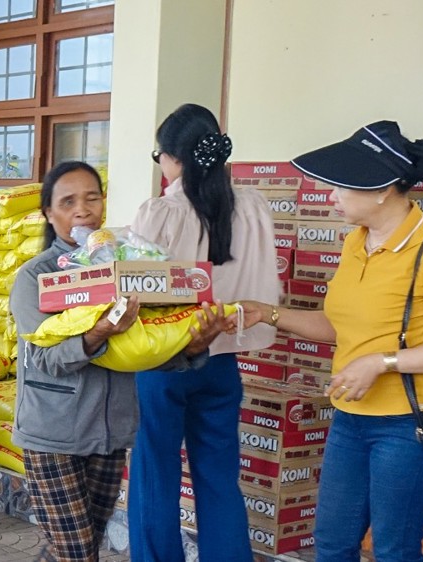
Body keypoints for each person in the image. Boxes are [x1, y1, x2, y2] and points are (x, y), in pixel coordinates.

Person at [234, 120, 423, 562]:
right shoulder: (356, 243)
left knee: (394, 549)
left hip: (410, 425)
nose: (330, 195)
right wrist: (269, 313)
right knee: (332, 544)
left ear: (382, 189)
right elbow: (341, 327)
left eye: (342, 186)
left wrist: (382, 362)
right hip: (350, 420)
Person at [10, 160, 225, 562]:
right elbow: (43, 360)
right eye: (68, 202)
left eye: (92, 198)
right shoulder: (36, 277)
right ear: (48, 213)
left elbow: (140, 350)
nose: (82, 210)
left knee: (76, 548)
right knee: (78, 554)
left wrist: (191, 348)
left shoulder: (128, 269)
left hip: (110, 433)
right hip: (53, 435)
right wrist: (98, 333)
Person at [127, 103, 279, 561]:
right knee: (219, 480)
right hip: (224, 361)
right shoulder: (252, 206)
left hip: (164, 361)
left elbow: (135, 292)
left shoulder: (160, 212)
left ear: (173, 157)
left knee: (156, 475)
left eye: (159, 155)